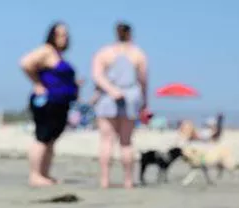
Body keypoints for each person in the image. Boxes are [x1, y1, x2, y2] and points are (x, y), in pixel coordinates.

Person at [20, 22, 79, 186]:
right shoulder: (45, 50)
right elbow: (25, 63)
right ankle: (35, 174)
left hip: (61, 101)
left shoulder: (58, 54)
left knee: (52, 138)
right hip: (47, 101)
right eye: (60, 34)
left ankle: (44, 174)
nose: (63, 38)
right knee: (42, 136)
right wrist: (37, 83)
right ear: (52, 35)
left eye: (66, 34)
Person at [91, 22, 148, 188]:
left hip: (108, 98)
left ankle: (105, 180)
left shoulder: (105, 52)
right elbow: (143, 80)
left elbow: (97, 76)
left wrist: (111, 90)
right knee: (126, 142)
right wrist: (144, 102)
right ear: (130, 34)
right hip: (130, 97)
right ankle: (128, 181)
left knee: (106, 141)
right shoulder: (138, 53)